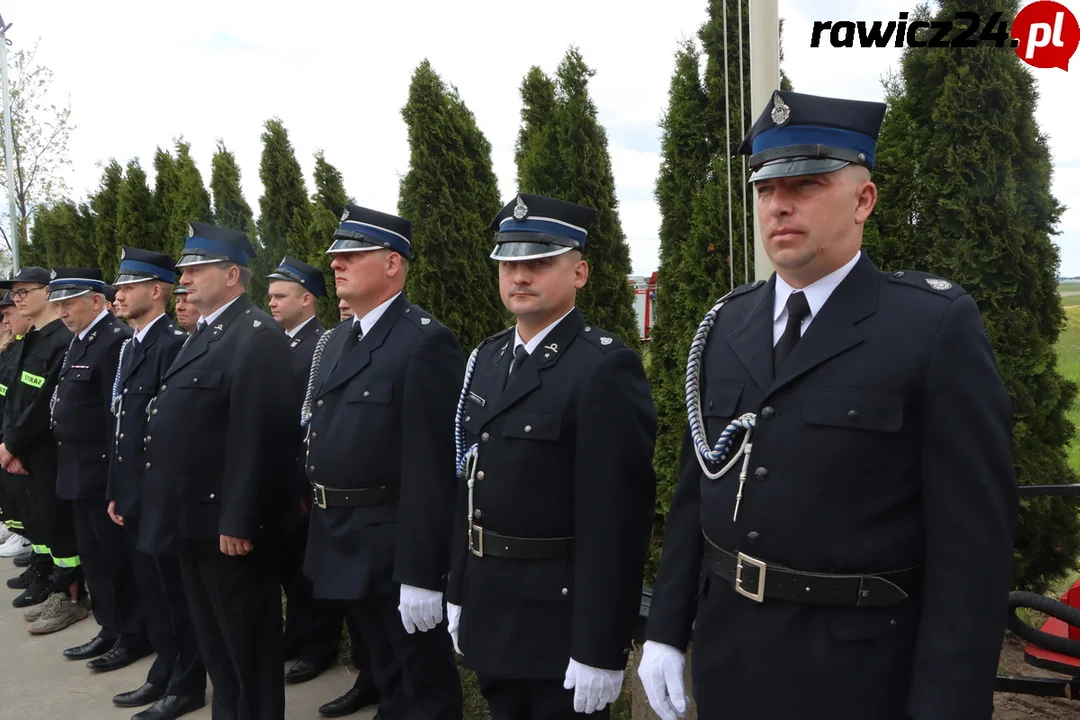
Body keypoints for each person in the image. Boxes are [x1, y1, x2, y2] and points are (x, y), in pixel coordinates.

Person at [639, 91, 1019, 720]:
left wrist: (948, 703)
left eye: (807, 184)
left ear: (863, 200)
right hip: (731, 662)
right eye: (765, 188)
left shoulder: (929, 327)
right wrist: (665, 629)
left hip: (860, 675)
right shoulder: (727, 327)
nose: (779, 204)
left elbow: (973, 550)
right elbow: (695, 497)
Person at [445, 194, 657, 719]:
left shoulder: (604, 368)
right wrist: (458, 586)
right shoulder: (490, 358)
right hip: (492, 603)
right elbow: (470, 481)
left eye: (538, 262)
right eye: (509, 264)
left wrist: (599, 645)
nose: (519, 276)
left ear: (579, 272)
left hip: (557, 621)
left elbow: (617, 522)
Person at [303, 204, 464, 720]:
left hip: (393, 543)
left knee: (422, 677)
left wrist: (422, 572)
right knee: (384, 665)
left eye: (352, 254)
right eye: (335, 256)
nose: (336, 264)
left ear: (392, 264)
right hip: (342, 533)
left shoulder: (424, 342)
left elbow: (434, 469)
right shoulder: (339, 340)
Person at [140, 222, 295, 719]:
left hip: (227, 531)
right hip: (193, 523)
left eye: (197, 267)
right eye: (184, 267)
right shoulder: (204, 334)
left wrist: (239, 521)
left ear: (232, 274)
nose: (185, 276)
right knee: (218, 649)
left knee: (248, 650)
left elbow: (260, 439)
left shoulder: (255, 336)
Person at [107, 246, 207, 720]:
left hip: (159, 497)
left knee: (177, 596)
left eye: (127, 286)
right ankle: (166, 670)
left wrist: (150, 495)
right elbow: (124, 424)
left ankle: (186, 682)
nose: (118, 294)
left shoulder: (172, 344)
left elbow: (169, 435)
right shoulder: (135, 345)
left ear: (155, 290)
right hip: (134, 495)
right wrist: (117, 489)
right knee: (155, 591)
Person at [48, 267, 151, 671]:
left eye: (69, 303)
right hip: (76, 468)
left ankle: (132, 632)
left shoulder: (114, 342)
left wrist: (117, 481)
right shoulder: (80, 341)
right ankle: (110, 625)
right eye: (57, 304)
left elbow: (117, 418)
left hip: (101, 469)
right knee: (94, 556)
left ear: (96, 301)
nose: (62, 312)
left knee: (115, 557)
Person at [266, 255, 351, 686]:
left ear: (308, 299)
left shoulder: (321, 343)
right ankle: (295, 635)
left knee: (307, 572)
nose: (273, 304)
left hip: (303, 477)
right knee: (287, 567)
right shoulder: (279, 342)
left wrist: (303, 478)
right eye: (270, 297)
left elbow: (313, 418)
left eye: (281, 296)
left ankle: (319, 644)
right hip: (278, 478)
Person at [0, 266, 88, 634]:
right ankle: (54, 582)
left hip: (47, 450)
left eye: (24, 292)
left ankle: (70, 597)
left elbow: (42, 405)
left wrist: (13, 444)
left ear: (48, 293)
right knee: (42, 521)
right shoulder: (33, 338)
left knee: (58, 523)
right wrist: (10, 444)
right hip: (23, 450)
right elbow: (16, 398)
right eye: (14, 294)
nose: (17, 299)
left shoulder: (60, 340)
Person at [0, 292, 31, 560]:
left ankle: (23, 534)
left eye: (8, 314)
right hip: (9, 430)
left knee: (25, 494)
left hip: (22, 438)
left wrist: (12, 441)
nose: (6, 321)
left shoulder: (25, 345)